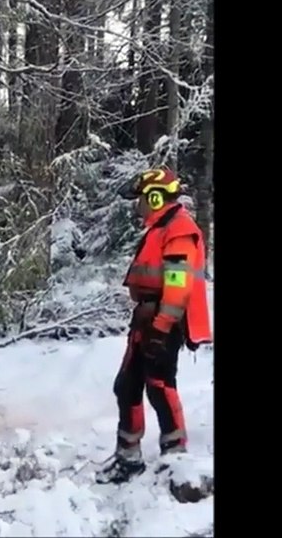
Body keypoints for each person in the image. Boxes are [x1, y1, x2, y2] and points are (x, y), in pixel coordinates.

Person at [96, 167, 212, 484]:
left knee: (160, 386)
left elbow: (178, 286)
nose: (138, 206)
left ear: (156, 197)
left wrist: (162, 327)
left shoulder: (178, 230)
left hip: (163, 323)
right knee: (127, 386)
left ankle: (175, 456)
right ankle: (128, 457)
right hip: (147, 319)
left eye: (142, 200)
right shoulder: (161, 228)